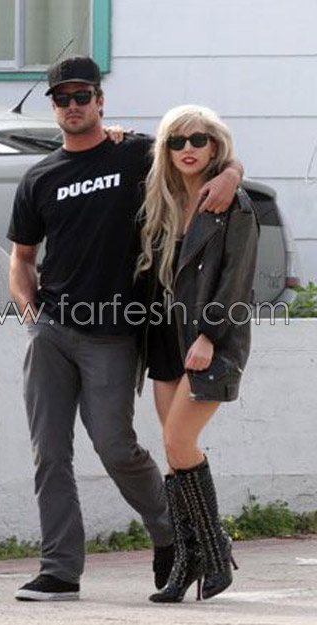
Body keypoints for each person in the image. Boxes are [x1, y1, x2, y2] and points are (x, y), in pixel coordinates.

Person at [7, 56, 243, 602]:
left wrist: (231, 175)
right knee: (49, 454)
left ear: (100, 100)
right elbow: (22, 258)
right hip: (50, 331)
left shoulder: (135, 153)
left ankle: (174, 536)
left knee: (116, 447)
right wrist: (29, 309)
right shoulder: (39, 176)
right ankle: (59, 570)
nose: (73, 106)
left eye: (82, 96)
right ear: (54, 106)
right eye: (62, 98)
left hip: (115, 332)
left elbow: (207, 153)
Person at [136, 104, 259, 603]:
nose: (187, 149)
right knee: (172, 452)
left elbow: (236, 280)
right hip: (164, 337)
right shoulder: (161, 201)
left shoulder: (234, 204)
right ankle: (188, 560)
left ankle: (214, 547)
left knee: (180, 439)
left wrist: (209, 335)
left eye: (198, 140)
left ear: (215, 146)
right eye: (177, 141)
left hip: (208, 339)